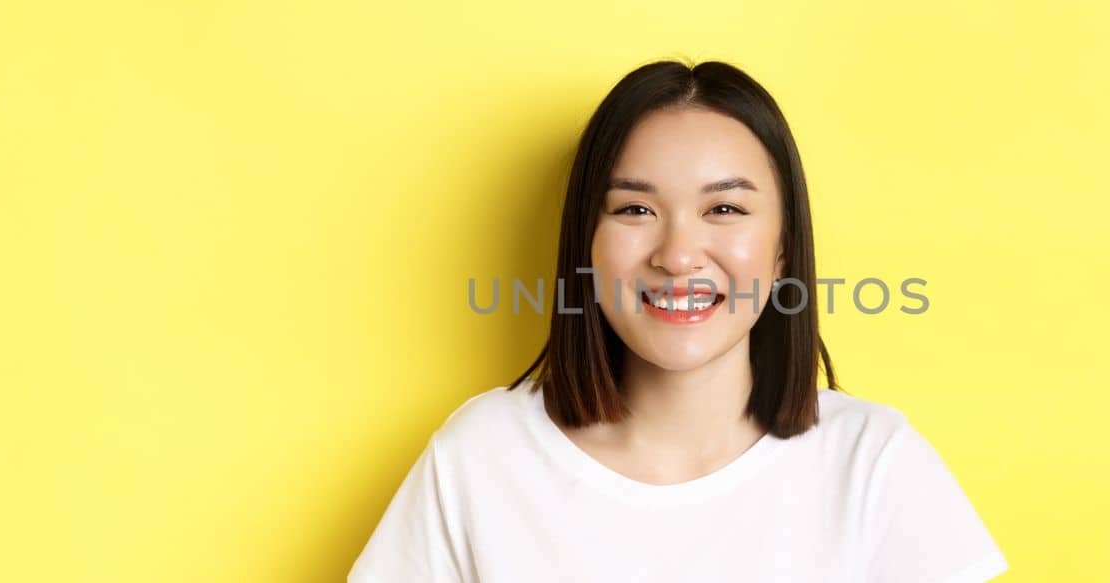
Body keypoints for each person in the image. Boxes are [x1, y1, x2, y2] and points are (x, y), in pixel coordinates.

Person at [349, 59, 1008, 582]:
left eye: (724, 210)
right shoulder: (483, 456)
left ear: (782, 248)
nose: (678, 255)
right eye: (635, 209)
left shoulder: (872, 462)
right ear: (588, 241)